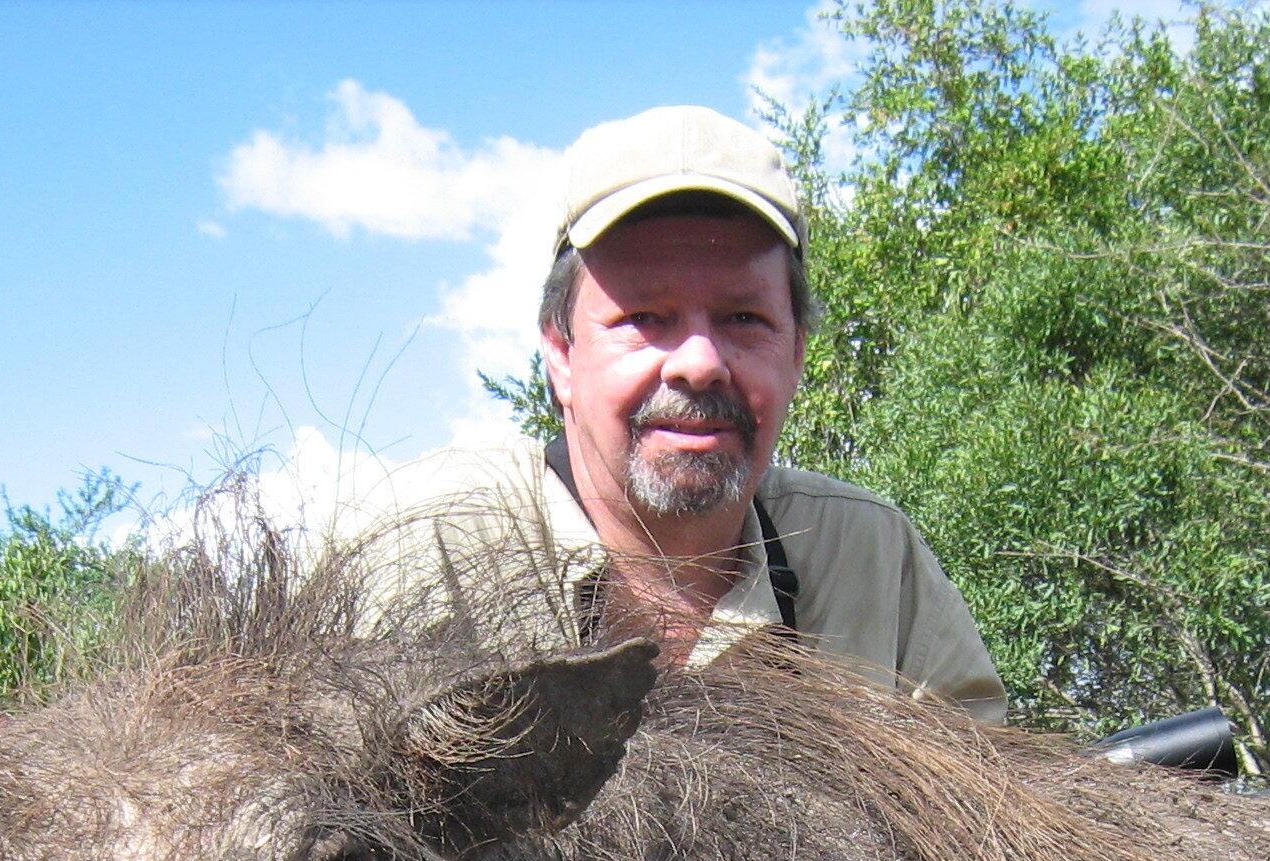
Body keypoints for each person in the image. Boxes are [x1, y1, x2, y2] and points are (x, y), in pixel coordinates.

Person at [346, 105, 1007, 721]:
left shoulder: (873, 557)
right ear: (560, 353)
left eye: (743, 318)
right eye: (645, 318)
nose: (699, 362)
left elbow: (992, 819)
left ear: (798, 354)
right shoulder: (413, 545)